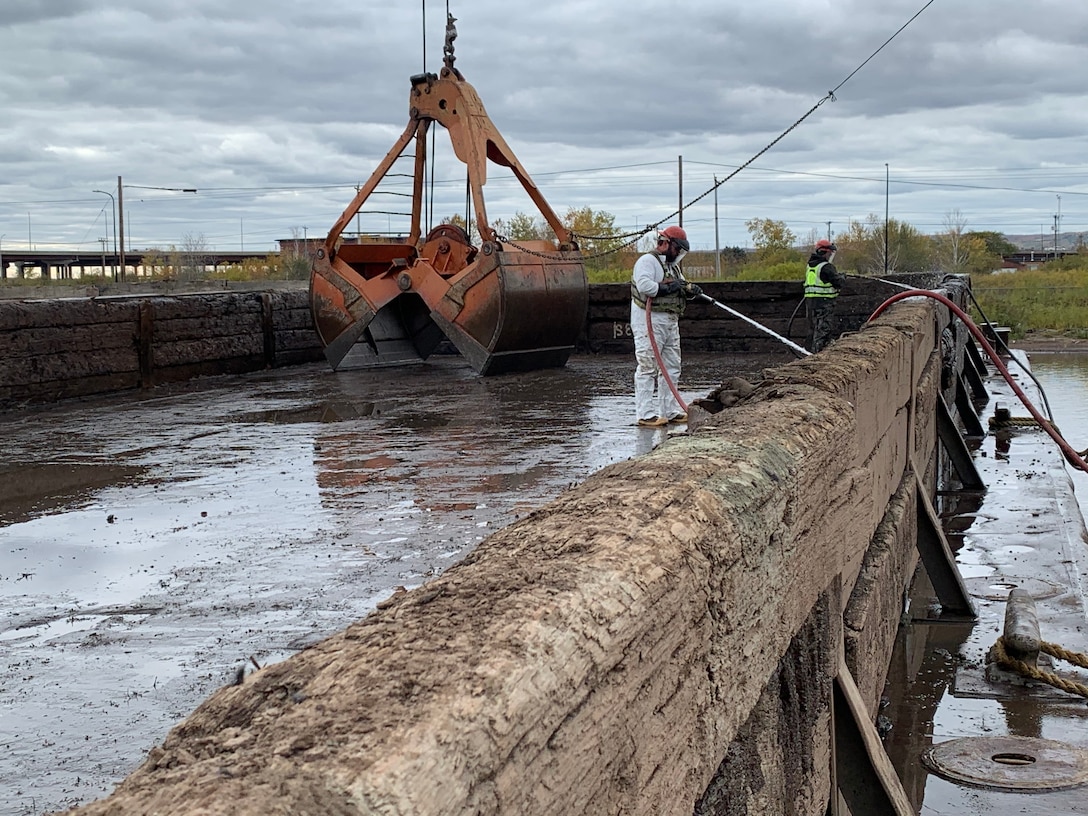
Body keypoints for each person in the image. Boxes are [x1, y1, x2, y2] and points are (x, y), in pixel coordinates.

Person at [630, 225, 701, 427]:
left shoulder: (672, 266)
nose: (678, 253)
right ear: (666, 243)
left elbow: (681, 285)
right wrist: (669, 287)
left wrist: (690, 290)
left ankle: (669, 410)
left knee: (671, 365)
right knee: (648, 365)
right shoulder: (647, 262)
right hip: (649, 320)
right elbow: (645, 287)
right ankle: (645, 413)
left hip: (670, 319)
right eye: (677, 248)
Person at [804, 239, 846, 352]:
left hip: (810, 303)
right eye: (830, 253)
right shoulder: (826, 267)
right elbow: (838, 283)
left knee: (812, 330)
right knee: (823, 330)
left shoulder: (810, 266)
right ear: (826, 252)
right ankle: (817, 354)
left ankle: (808, 352)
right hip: (824, 303)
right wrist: (842, 277)